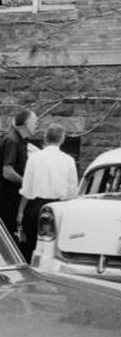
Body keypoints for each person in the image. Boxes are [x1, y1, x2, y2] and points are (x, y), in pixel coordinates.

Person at [16, 123, 77, 261]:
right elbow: (72, 191)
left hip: (35, 207)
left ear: (45, 138)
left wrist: (20, 212)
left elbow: (27, 189)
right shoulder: (69, 160)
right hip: (59, 208)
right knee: (55, 250)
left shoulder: (34, 158)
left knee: (32, 246)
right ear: (62, 139)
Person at [1, 108, 37, 245]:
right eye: (35, 122)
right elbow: (7, 172)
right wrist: (27, 183)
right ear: (27, 123)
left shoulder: (22, 141)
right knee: (8, 241)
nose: (37, 125)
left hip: (14, 200)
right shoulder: (12, 140)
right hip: (6, 201)